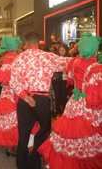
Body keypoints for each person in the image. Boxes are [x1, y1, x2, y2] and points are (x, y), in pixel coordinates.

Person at [39, 33, 102, 169]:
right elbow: (97, 95)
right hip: (88, 106)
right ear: (94, 49)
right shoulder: (96, 68)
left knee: (70, 135)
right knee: (88, 136)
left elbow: (71, 80)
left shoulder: (73, 62)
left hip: (74, 103)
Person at [9, 32, 71, 169]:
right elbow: (67, 63)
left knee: (23, 135)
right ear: (38, 43)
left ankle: (23, 165)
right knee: (44, 131)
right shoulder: (47, 57)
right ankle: (35, 161)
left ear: (26, 43)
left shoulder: (19, 58)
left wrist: (25, 97)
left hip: (25, 100)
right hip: (42, 99)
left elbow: (13, 82)